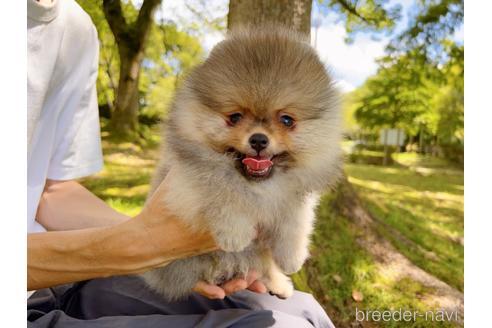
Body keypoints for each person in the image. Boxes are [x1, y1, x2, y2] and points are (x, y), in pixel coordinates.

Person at [27, 0, 335, 327]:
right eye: (235, 117)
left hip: (56, 280)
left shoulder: (75, 29)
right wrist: (138, 246)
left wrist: (159, 239)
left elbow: (49, 192)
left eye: (286, 120)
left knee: (307, 312)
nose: (260, 135)